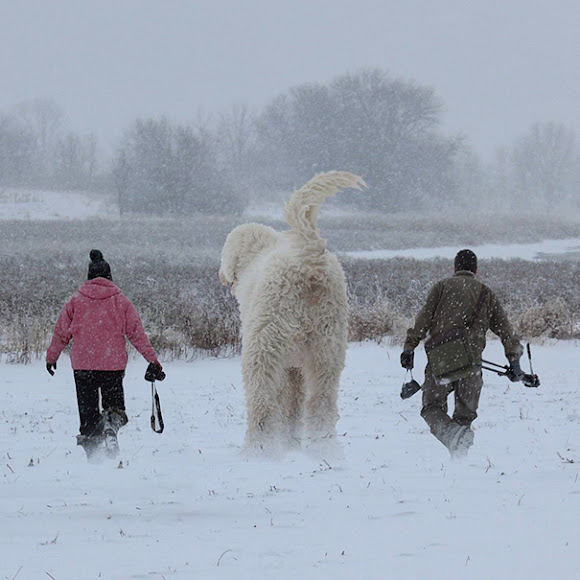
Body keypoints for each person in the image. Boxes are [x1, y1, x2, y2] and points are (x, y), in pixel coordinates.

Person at [400, 249, 523, 458]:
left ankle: (452, 441)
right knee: (464, 418)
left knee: (431, 408)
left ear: (455, 268)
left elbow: (422, 320)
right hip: (472, 366)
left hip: (442, 362)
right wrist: (514, 363)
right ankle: (460, 464)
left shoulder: (442, 287)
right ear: (475, 270)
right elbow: (506, 330)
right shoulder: (486, 293)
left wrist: (409, 347)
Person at [46, 250, 163, 461]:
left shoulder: (75, 301)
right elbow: (137, 334)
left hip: (83, 366)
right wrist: (152, 360)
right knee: (114, 406)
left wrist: (51, 357)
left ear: (89, 276)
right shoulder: (121, 301)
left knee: (88, 412)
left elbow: (61, 332)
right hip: (112, 365)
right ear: (109, 276)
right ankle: (111, 424)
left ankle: (93, 456)